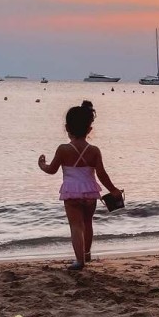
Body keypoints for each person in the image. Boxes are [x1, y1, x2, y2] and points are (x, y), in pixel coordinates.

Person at [38, 100, 122, 270]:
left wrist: (42, 165)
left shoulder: (63, 149)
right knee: (88, 223)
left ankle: (79, 261)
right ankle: (87, 254)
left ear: (67, 128)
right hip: (90, 192)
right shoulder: (94, 150)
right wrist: (113, 189)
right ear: (89, 129)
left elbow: (52, 170)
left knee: (76, 226)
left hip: (71, 193)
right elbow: (102, 174)